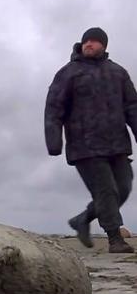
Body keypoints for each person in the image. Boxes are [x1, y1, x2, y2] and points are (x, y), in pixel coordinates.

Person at [45, 27, 137, 253]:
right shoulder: (68, 73)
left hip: (117, 143)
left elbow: (132, 106)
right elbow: (54, 108)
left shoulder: (118, 72)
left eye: (95, 42)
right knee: (106, 191)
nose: (89, 44)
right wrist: (54, 141)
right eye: (86, 41)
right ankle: (115, 238)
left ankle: (82, 219)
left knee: (123, 188)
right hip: (84, 144)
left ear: (104, 46)